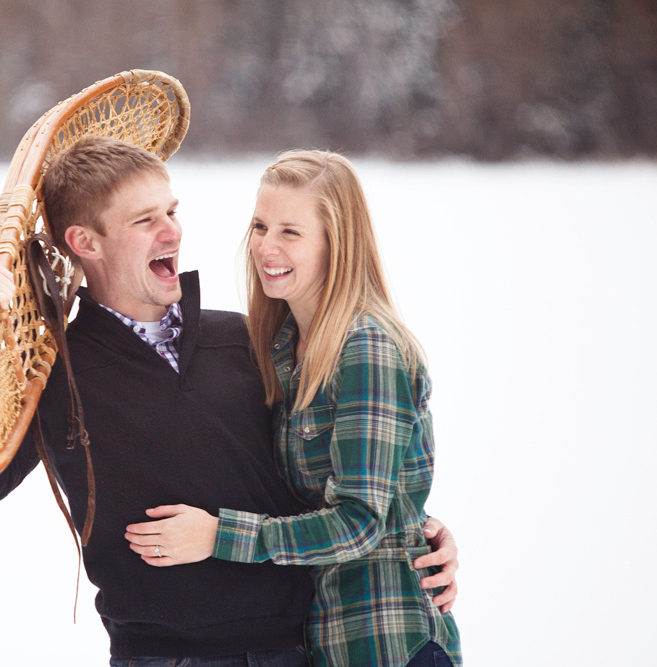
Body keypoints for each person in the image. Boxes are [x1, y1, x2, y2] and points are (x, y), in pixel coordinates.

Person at [0, 136, 458, 666]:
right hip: (163, 657)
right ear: (86, 242)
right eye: (145, 220)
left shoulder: (247, 340)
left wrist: (412, 529)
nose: (173, 231)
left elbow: (333, 475)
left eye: (173, 211)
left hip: (295, 649)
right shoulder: (61, 374)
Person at [124, 150, 462, 666]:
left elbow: (359, 522)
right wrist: (415, 522)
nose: (266, 247)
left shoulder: (365, 347)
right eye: (260, 226)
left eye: (291, 232)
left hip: (388, 645)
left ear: (336, 244)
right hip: (323, 644)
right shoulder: (282, 348)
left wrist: (219, 535)